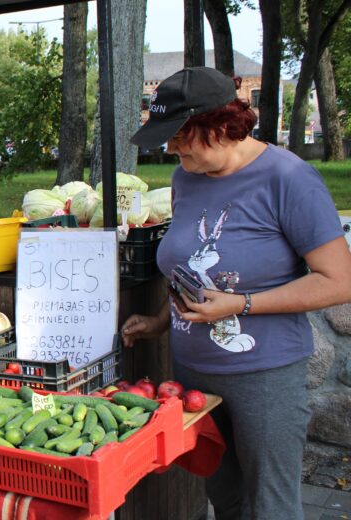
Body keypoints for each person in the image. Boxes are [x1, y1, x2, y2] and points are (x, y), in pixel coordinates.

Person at [122, 67, 351, 520]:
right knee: (224, 499)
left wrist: (242, 305)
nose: (171, 148)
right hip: (193, 373)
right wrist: (161, 321)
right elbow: (190, 264)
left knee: (271, 506)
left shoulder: (289, 178)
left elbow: (339, 280)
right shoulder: (186, 178)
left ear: (221, 125)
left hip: (263, 375)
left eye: (180, 135)